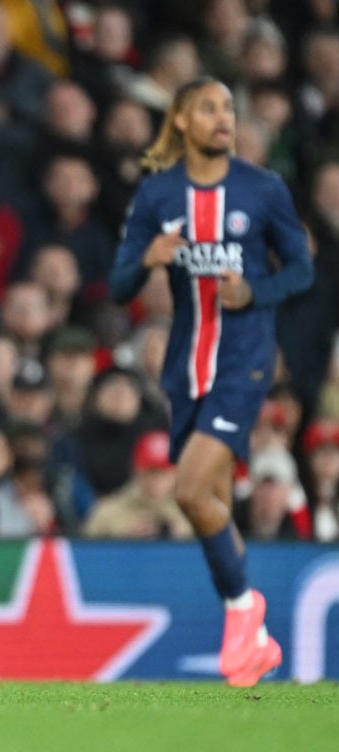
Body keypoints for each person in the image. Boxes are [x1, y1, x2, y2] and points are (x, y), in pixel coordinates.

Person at [109, 77, 313, 687]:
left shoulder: (263, 188)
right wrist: (147, 259)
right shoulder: (157, 194)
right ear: (180, 120)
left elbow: (302, 269)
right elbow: (118, 286)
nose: (223, 116)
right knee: (212, 506)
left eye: (229, 105)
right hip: (184, 368)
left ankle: (243, 610)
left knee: (191, 492)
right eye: (208, 107)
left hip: (242, 363)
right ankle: (252, 642)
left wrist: (256, 290)